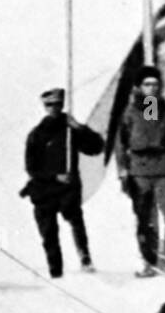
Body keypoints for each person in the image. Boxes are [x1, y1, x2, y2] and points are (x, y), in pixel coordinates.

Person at [19, 88, 104, 277]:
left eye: (58, 104)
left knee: (75, 220)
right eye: (50, 105)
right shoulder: (37, 134)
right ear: (44, 106)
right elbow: (32, 168)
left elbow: (96, 147)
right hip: (45, 190)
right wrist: (54, 177)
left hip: (68, 189)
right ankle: (55, 273)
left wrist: (80, 128)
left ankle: (85, 258)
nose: (54, 108)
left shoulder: (69, 129)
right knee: (49, 234)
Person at [117, 65, 165, 277]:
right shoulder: (130, 113)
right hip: (140, 172)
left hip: (164, 171)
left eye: (156, 84)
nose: (152, 88)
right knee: (146, 220)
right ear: (139, 87)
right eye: (147, 84)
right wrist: (122, 171)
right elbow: (120, 145)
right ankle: (150, 261)